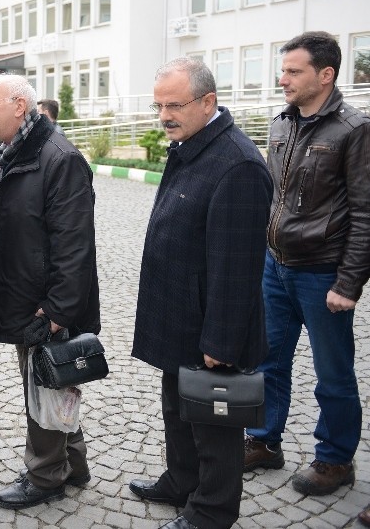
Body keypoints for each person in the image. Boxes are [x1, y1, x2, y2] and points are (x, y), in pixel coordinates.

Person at [128, 58, 272, 529]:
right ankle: (181, 481)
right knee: (178, 409)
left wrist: (221, 343)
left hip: (209, 326)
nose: (165, 115)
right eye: (159, 106)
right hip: (179, 315)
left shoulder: (237, 164)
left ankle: (211, 510)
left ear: (208, 102)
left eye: (175, 105)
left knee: (214, 425)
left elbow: (237, 270)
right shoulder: (193, 145)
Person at [245, 31, 370, 499]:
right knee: (267, 359)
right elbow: (274, 196)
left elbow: (365, 211)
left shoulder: (354, 129)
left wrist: (349, 282)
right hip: (274, 266)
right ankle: (263, 440)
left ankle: (336, 459)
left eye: (293, 71)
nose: (283, 80)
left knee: (332, 371)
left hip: (323, 274)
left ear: (326, 74)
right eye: (283, 70)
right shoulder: (281, 123)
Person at [0, 73, 100, 511]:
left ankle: (46, 476)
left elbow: (74, 244)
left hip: (45, 305)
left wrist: (57, 310)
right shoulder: (8, 153)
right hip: (25, 295)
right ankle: (75, 463)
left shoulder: (58, 157)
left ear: (18, 105)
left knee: (44, 384)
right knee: (55, 379)